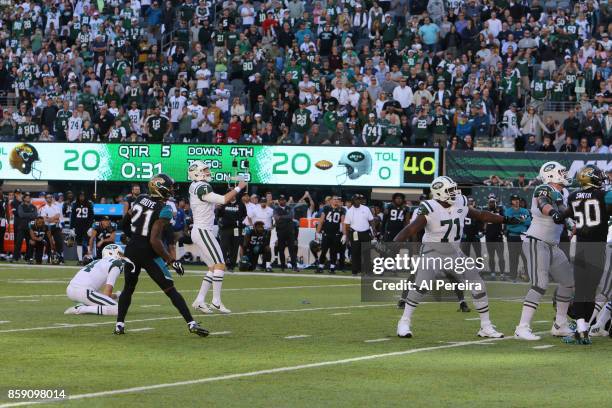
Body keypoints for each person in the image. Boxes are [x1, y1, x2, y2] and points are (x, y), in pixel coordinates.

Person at [394, 176, 524, 338]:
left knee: (478, 283)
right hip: (432, 250)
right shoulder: (428, 207)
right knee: (420, 286)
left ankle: (485, 326)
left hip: (454, 252)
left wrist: (505, 219)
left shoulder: (461, 202)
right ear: (439, 193)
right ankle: (404, 321)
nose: (454, 192)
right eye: (449, 190)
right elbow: (410, 230)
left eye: (454, 189)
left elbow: (481, 215)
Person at [115, 173, 209, 337]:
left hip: (131, 250)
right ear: (160, 188)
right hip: (148, 253)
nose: (172, 189)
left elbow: (123, 225)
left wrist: (134, 237)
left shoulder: (139, 199)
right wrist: (171, 260)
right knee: (170, 290)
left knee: (128, 289)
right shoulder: (164, 209)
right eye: (170, 187)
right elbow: (154, 240)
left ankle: (119, 325)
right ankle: (191, 323)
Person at [514, 162, 575, 341]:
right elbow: (543, 203)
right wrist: (553, 213)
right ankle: (522, 327)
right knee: (540, 283)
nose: (564, 174)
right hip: (536, 241)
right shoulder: (543, 188)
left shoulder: (563, 192)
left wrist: (572, 224)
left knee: (568, 282)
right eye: (561, 172)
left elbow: (562, 211)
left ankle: (560, 324)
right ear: (551, 175)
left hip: (552, 245)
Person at [188, 161, 247, 314]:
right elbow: (222, 200)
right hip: (203, 231)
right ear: (197, 172)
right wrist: (239, 187)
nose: (208, 172)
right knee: (220, 264)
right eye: (205, 170)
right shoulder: (202, 186)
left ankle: (200, 300)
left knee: (213, 267)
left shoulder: (195, 185)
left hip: (200, 230)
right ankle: (216, 301)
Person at [562, 166, 612, 344]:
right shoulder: (603, 195)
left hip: (581, 247)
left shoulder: (573, 196)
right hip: (597, 248)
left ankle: (582, 330)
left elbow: (563, 215)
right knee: (590, 291)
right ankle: (583, 331)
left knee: (581, 290)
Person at [64, 245, 132, 316]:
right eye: (120, 254)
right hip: (85, 291)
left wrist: (117, 296)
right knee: (119, 309)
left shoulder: (97, 261)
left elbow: (102, 296)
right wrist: (117, 296)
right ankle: (80, 309)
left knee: (106, 301)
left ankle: (82, 306)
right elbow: (107, 294)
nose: (121, 256)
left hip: (71, 289)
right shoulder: (116, 264)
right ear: (113, 253)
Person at [217, 188, 247, 271]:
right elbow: (219, 215)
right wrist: (218, 209)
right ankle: (222, 265)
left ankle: (232, 266)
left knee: (234, 247)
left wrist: (240, 222)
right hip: (225, 228)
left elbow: (244, 215)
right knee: (224, 247)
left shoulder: (240, 204)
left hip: (236, 229)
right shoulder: (223, 203)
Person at [344, 194, 374, 276]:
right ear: (353, 201)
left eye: (359, 199)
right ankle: (355, 271)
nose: (358, 201)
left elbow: (371, 221)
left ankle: (367, 271)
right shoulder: (349, 211)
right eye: (356, 199)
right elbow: (347, 225)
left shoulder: (366, 208)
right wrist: (347, 237)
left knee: (367, 252)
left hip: (366, 232)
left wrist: (373, 232)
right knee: (355, 252)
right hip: (355, 233)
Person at [315, 196, 346, 274]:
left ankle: (332, 268)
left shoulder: (342, 209)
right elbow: (321, 220)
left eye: (337, 200)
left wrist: (344, 234)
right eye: (334, 199)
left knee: (334, 252)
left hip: (336, 234)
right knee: (324, 251)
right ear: (331, 201)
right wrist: (317, 232)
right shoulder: (326, 208)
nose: (336, 201)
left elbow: (343, 222)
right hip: (326, 233)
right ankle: (320, 267)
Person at [504, 194, 531, 282]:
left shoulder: (525, 210)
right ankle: (513, 276)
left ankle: (527, 275)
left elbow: (528, 222)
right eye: (515, 200)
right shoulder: (508, 211)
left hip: (523, 237)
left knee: (525, 258)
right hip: (512, 237)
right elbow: (509, 225)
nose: (517, 201)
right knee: (513, 258)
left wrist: (516, 220)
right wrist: (521, 220)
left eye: (518, 200)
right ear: (511, 201)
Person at [273, 195, 298, 272]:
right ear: (279, 201)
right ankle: (283, 266)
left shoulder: (289, 208)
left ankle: (294, 266)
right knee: (281, 249)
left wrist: (281, 217)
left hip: (290, 231)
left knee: (292, 249)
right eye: (280, 200)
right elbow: (276, 218)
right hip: (280, 231)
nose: (282, 201)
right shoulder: (276, 209)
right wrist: (284, 217)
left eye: (283, 200)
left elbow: (291, 216)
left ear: (285, 201)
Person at [483, 195, 506, 280]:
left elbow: (504, 220)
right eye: (490, 201)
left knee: (501, 256)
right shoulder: (485, 210)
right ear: (488, 202)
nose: (492, 203)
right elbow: (483, 222)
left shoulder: (500, 210)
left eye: (493, 201)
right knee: (491, 256)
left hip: (498, 236)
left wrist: (503, 230)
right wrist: (484, 230)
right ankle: (492, 273)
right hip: (489, 236)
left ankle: (502, 274)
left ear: (496, 201)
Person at [39, 193, 64, 264]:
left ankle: (60, 258)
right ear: (46, 199)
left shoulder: (56, 206)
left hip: (56, 226)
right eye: (47, 197)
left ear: (52, 198)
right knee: (48, 243)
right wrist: (53, 219)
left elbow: (58, 216)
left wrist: (50, 219)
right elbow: (44, 219)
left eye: (50, 197)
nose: (49, 198)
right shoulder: (43, 208)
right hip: (47, 227)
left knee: (59, 242)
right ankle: (49, 258)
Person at [71, 191, 94, 264]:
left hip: (86, 226)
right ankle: (80, 260)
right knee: (79, 243)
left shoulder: (89, 204)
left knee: (88, 242)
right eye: (80, 196)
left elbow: (91, 216)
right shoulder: (75, 205)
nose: (82, 197)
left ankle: (89, 258)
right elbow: (73, 217)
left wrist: (90, 227)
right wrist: (72, 228)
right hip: (78, 227)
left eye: (83, 196)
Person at [13, 193, 37, 263]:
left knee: (29, 243)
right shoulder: (21, 206)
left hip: (30, 228)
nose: (28, 198)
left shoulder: (33, 206)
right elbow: (21, 214)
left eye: (29, 197)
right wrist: (30, 215)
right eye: (27, 197)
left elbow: (35, 215)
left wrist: (26, 215)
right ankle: (15, 258)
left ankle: (28, 258)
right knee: (18, 243)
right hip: (22, 227)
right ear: (24, 199)